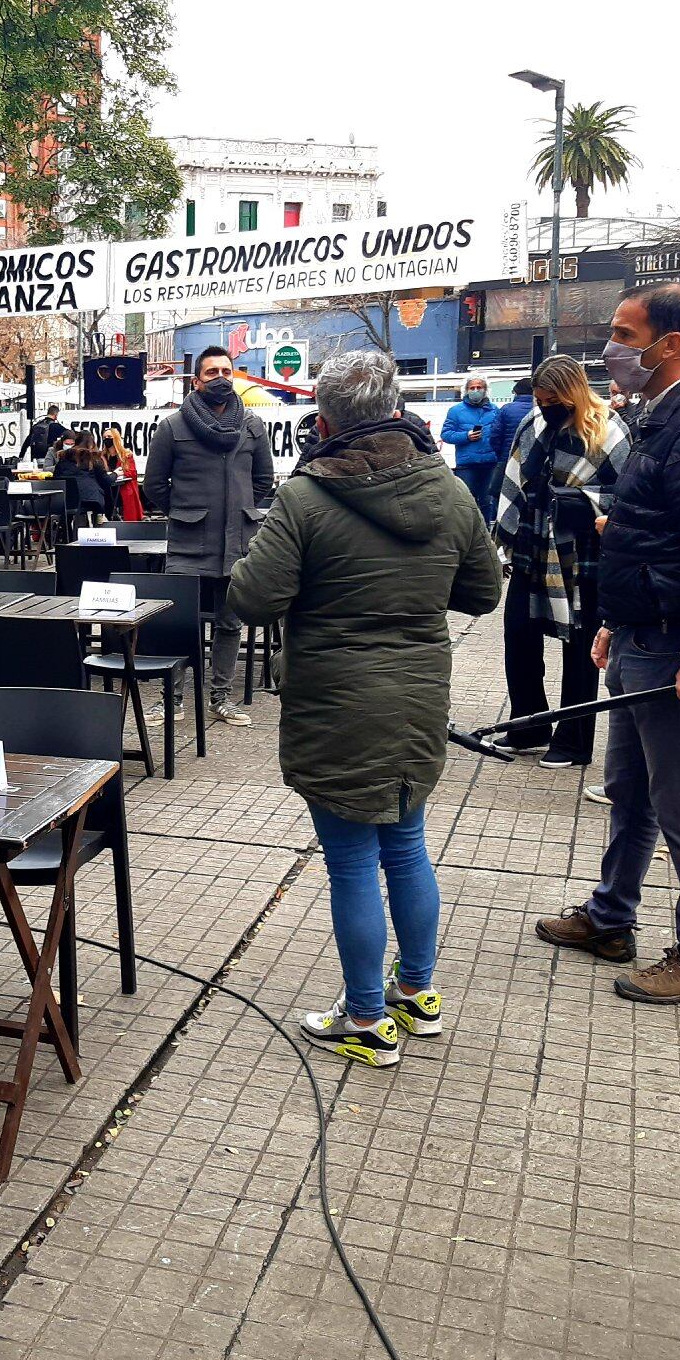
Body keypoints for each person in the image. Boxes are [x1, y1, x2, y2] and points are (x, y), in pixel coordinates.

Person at [228, 349, 501, 1067]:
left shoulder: (305, 496)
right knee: (406, 847)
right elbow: (482, 593)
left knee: (351, 864)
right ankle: (417, 994)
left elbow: (252, 598)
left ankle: (368, 1021)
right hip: (415, 693)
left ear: (323, 420)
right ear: (395, 410)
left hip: (336, 699)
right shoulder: (446, 488)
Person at [535, 284, 680, 1005]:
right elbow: (648, 530)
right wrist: (613, 620)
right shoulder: (663, 416)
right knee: (630, 791)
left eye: (624, 333)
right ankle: (611, 918)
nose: (611, 347)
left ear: (669, 344)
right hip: (643, 637)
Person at [492, 355, 630, 769]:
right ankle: (528, 724)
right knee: (518, 632)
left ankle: (574, 739)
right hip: (534, 541)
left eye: (552, 399)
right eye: (539, 398)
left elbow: (626, 495)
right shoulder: (533, 423)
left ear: (571, 394)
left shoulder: (608, 428)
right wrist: (507, 532)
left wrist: (580, 502)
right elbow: (515, 475)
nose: (544, 406)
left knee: (580, 646)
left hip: (582, 546)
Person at [142, 346, 275, 727]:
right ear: (197, 381)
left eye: (226, 371)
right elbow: (154, 485)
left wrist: (242, 509)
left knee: (230, 623)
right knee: (181, 622)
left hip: (238, 544)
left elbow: (264, 480)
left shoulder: (251, 425)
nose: (221, 378)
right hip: (188, 544)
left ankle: (221, 697)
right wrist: (185, 513)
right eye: (212, 372)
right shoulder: (172, 427)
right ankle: (174, 698)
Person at [438, 373, 501, 522]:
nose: (475, 390)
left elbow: (500, 434)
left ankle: (486, 533)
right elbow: (446, 434)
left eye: (479, 387)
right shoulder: (456, 411)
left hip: (490, 463)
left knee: (488, 502)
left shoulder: (494, 410)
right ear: (466, 390)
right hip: (467, 465)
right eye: (472, 387)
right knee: (466, 502)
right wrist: (466, 436)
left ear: (485, 389)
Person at [52, 429, 114, 523]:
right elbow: (106, 481)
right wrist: (116, 474)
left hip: (64, 500)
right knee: (107, 491)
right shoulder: (92, 459)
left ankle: (66, 534)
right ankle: (104, 520)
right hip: (89, 500)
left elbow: (55, 478)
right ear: (91, 444)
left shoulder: (63, 458)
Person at [103, 426, 143, 520]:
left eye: (109, 437)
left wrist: (120, 474)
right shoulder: (102, 456)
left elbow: (133, 473)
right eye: (104, 438)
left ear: (116, 438)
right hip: (108, 490)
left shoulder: (126, 455)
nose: (106, 439)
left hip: (123, 489)